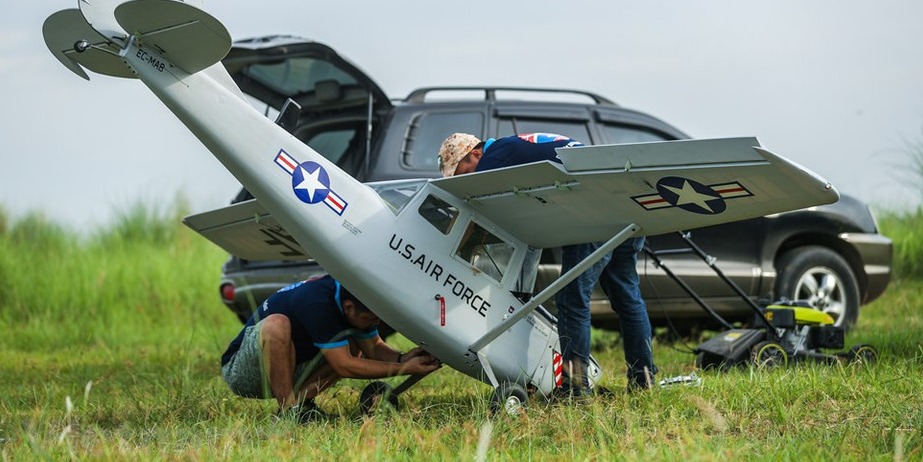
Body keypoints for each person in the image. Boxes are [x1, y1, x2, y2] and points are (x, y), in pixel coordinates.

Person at [438, 132, 657, 396]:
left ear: (475, 153)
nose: (465, 181)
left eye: (462, 172)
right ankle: (643, 381)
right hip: (623, 201)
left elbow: (486, 219)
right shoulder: (512, 147)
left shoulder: (491, 161)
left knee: (572, 298)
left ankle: (575, 388)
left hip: (595, 212)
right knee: (626, 297)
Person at [221, 274, 439, 422]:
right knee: (277, 324)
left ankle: (298, 407)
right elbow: (344, 367)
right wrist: (406, 369)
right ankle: (289, 412)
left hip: (289, 364)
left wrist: (402, 359)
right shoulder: (317, 302)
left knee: (353, 345)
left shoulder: (351, 295)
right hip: (243, 371)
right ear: (349, 307)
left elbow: (373, 347)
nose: (375, 324)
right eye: (371, 319)